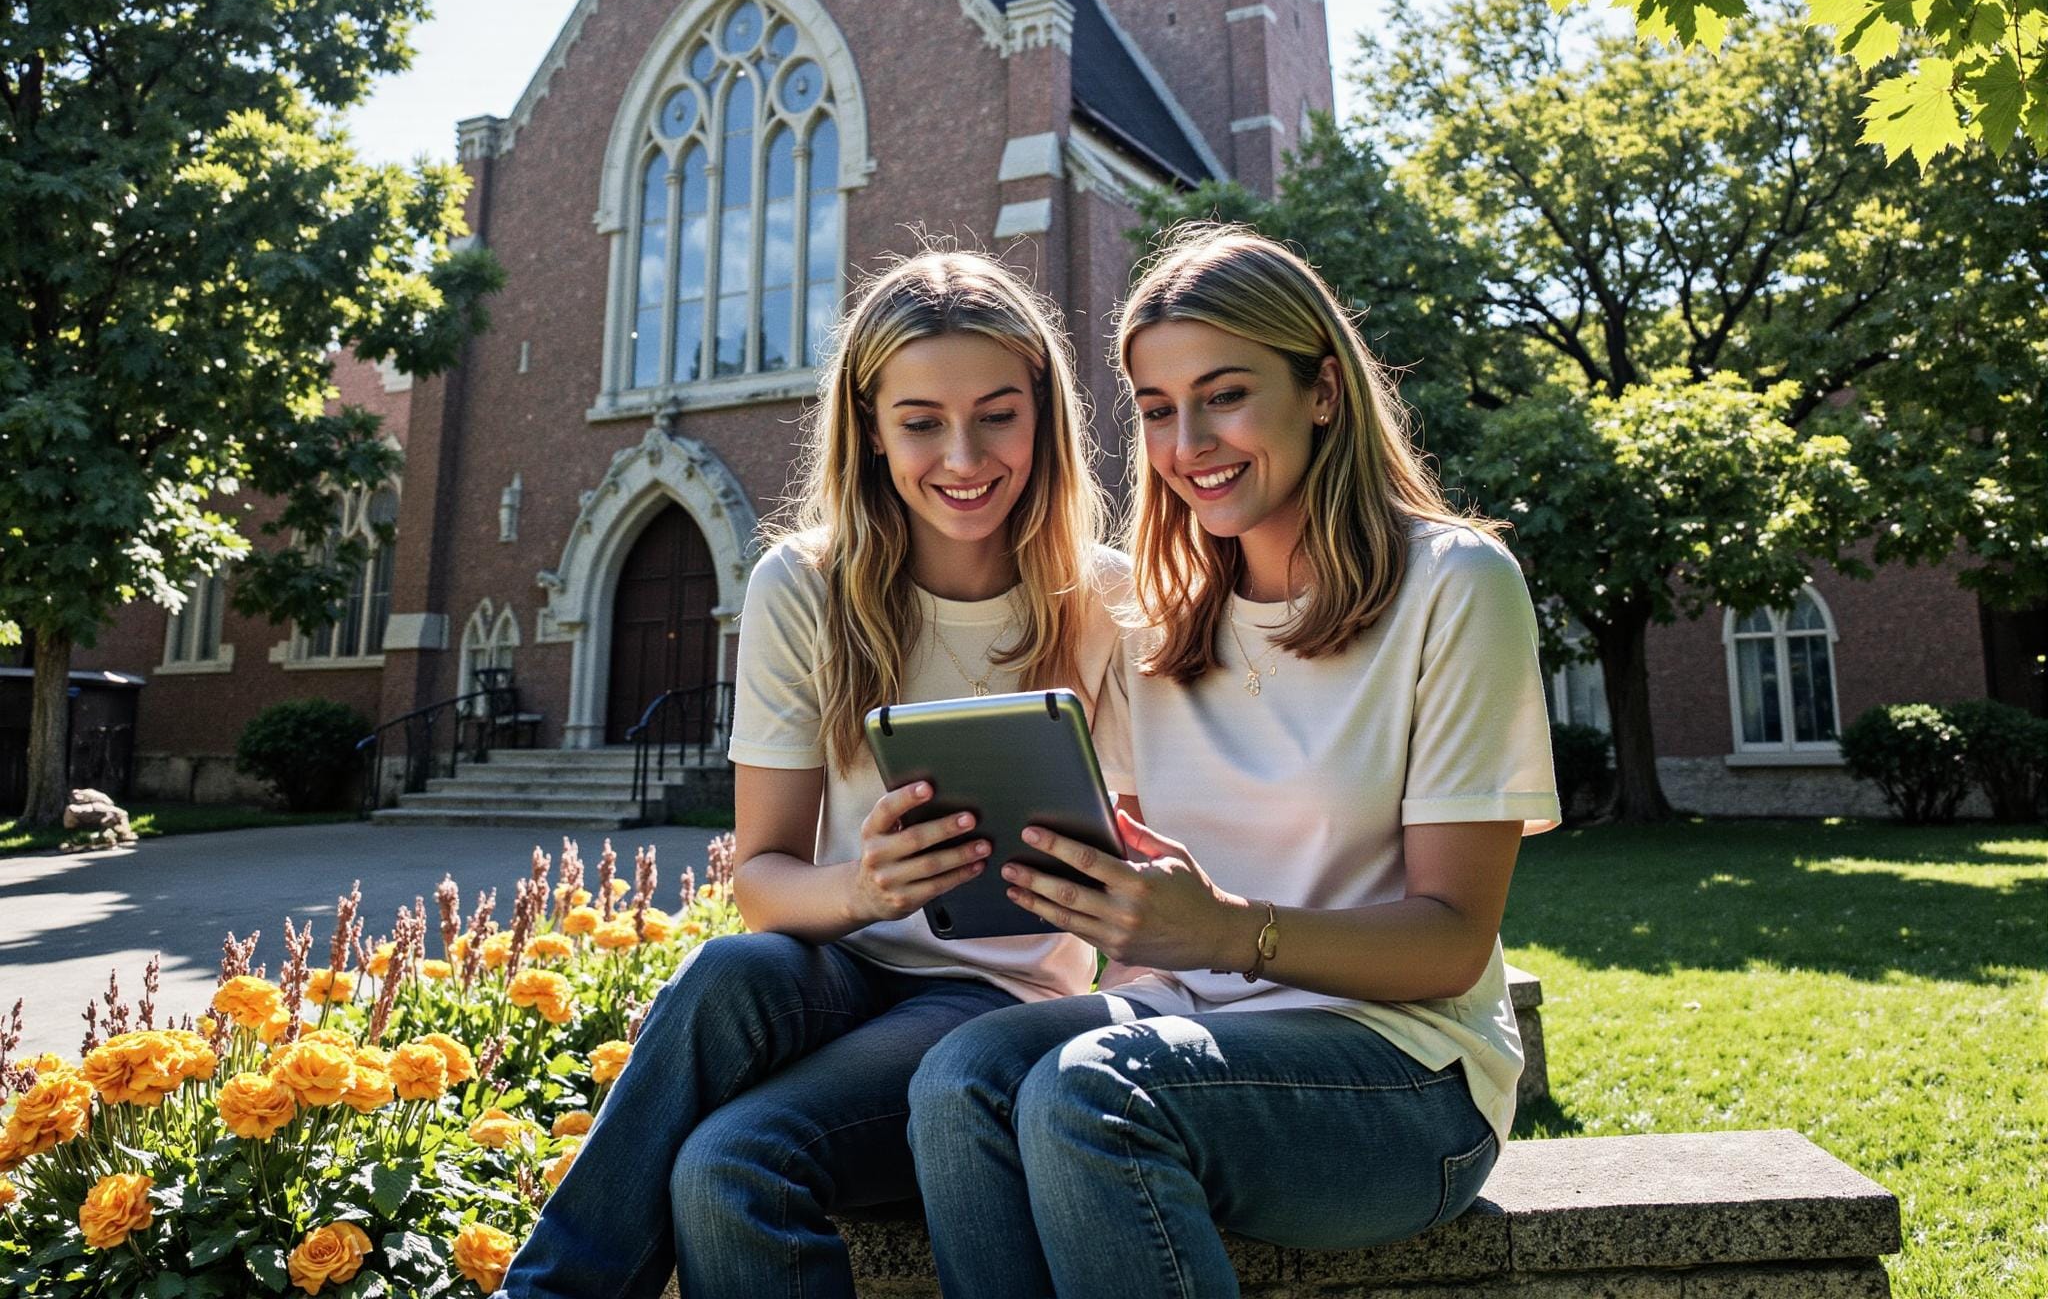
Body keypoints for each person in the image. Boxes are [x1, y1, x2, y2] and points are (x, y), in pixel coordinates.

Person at [907, 224, 1561, 1299]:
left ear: (1322, 390)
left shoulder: (1453, 584)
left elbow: (1451, 942)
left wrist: (1221, 931)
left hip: (1407, 1071)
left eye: (1223, 395)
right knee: (960, 1075)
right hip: (1188, 1026)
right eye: (1157, 408)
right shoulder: (1152, 617)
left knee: (1091, 1092)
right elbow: (1135, 898)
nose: (1188, 442)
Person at [504, 250, 1127, 1299]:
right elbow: (761, 881)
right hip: (836, 969)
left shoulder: (1105, 598)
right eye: (921, 421)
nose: (962, 456)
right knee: (722, 973)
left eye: (997, 415)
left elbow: (1159, 849)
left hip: (995, 998)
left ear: (1044, 414)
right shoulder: (803, 584)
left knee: (727, 1166)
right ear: (871, 427)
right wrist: (864, 889)